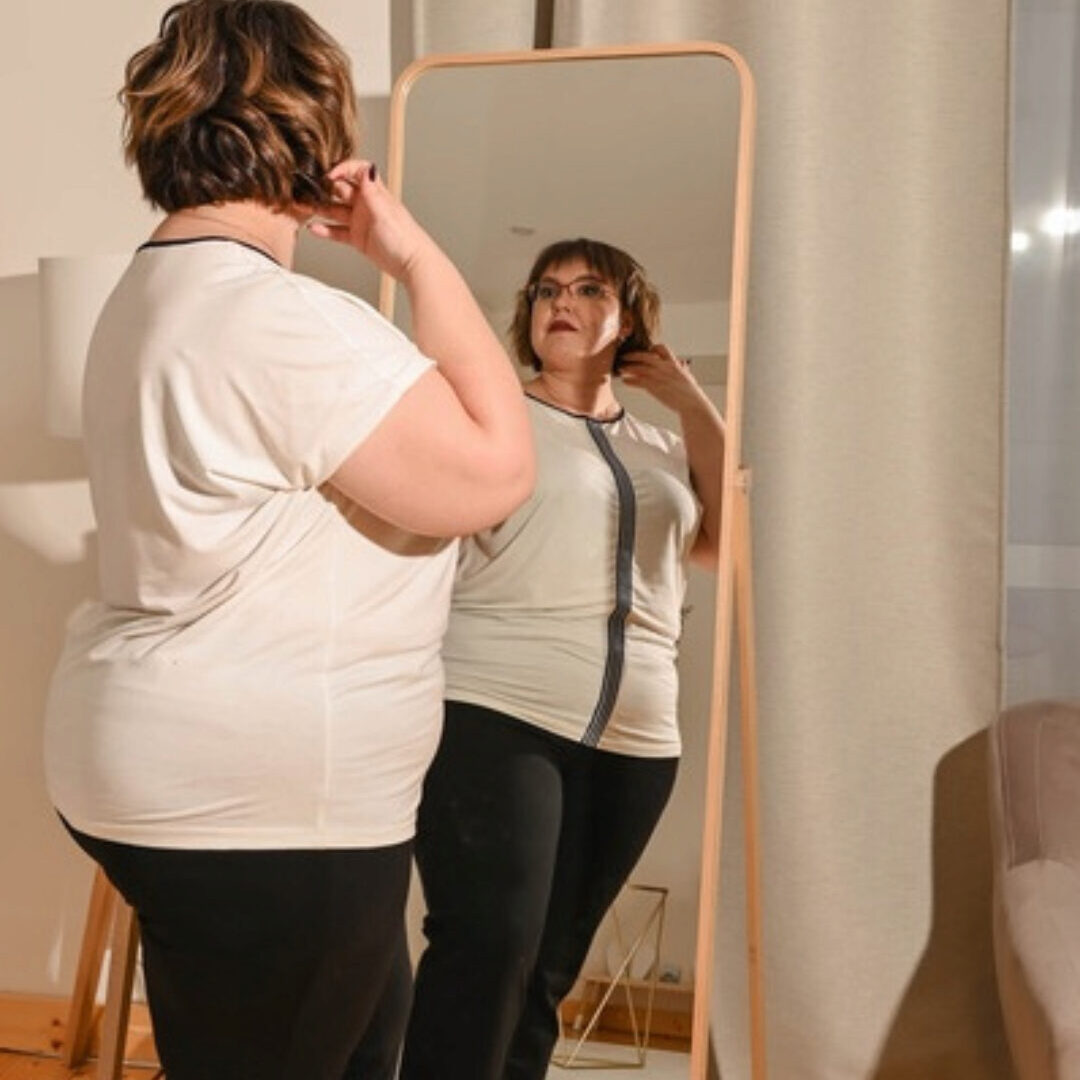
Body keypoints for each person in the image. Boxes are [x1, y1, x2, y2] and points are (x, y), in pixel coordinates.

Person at [42, 3, 533, 1079]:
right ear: (310, 132)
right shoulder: (281, 321)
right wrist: (413, 254)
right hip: (264, 807)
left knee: (356, 1043)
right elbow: (496, 472)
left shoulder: (149, 293)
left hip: (179, 770)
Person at [394, 237, 725, 1080]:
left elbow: (728, 545)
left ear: (630, 319)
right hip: (495, 708)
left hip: (637, 737)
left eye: (588, 289)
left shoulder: (660, 445)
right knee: (487, 945)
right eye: (546, 290)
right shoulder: (497, 419)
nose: (561, 302)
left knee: (548, 970)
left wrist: (695, 406)